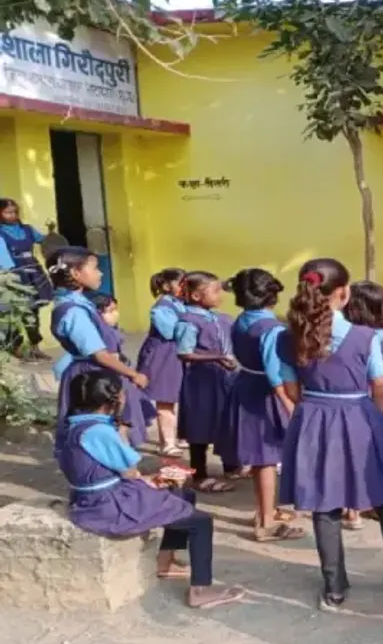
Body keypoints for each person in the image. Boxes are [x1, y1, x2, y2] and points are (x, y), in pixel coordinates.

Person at [276, 258, 383, 611]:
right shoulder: (364, 336)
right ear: (343, 293)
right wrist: (378, 418)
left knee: (324, 501)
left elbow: (291, 390)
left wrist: (316, 404)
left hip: (313, 418)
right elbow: (379, 386)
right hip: (359, 414)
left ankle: (335, 586)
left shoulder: (287, 336)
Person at [58, 369, 245, 609]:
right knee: (201, 522)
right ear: (115, 398)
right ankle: (201, 590)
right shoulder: (100, 432)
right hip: (109, 505)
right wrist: (125, 436)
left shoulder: (74, 426)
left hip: (92, 497)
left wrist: (151, 480)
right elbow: (129, 470)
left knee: (183, 495)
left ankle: (164, 562)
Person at [224, 268, 304, 542]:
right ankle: (266, 523)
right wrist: (289, 404)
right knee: (267, 458)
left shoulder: (241, 321)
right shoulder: (272, 329)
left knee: (260, 458)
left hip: (245, 384)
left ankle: (264, 511)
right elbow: (275, 374)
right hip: (266, 394)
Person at [47, 247, 149, 455]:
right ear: (75, 274)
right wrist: (133, 374)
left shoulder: (81, 304)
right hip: (91, 376)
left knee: (116, 424)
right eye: (94, 268)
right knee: (101, 428)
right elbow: (99, 353)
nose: (100, 273)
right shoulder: (74, 311)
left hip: (100, 372)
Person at [341, 280, 383, 531]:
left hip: (352, 398)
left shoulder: (348, 334)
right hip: (378, 400)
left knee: (350, 454)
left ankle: (351, 509)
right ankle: (372, 502)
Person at [176, 271, 239, 493]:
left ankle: (231, 466)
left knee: (226, 421)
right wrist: (218, 357)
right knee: (199, 425)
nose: (219, 295)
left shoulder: (220, 317)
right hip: (201, 381)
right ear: (195, 295)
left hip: (224, 378)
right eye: (214, 291)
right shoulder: (188, 321)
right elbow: (184, 353)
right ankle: (198, 472)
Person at [136, 268, 187, 456]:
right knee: (165, 401)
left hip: (175, 354)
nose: (184, 287)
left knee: (174, 398)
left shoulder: (179, 304)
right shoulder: (161, 308)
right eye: (180, 283)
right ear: (166, 286)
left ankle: (173, 438)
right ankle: (167, 442)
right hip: (163, 355)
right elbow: (170, 332)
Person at [0, 197, 53, 361]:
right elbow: (3, 258)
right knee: (12, 311)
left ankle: (34, 347)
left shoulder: (27, 229)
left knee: (33, 311)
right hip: (12, 276)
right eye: (8, 212)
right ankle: (14, 350)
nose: (12, 215)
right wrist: (10, 277)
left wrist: (51, 234)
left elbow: (43, 240)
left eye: (14, 212)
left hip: (32, 273)